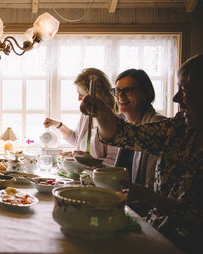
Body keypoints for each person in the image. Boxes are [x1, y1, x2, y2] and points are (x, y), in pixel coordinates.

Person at [80, 54, 203, 253]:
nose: (176, 98)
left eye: (185, 90)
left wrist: (148, 197)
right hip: (154, 230)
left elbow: (195, 216)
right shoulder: (179, 128)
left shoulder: (158, 121)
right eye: (118, 91)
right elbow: (125, 134)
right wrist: (101, 112)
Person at [43, 68, 118, 166]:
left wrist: (80, 160)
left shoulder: (114, 119)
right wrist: (57, 124)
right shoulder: (87, 114)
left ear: (96, 94)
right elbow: (76, 139)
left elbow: (113, 162)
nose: (79, 99)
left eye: (82, 94)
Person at [113, 69, 166, 189]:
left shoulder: (156, 124)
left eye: (128, 90)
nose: (120, 95)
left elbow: (152, 184)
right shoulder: (127, 125)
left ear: (146, 93)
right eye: (117, 90)